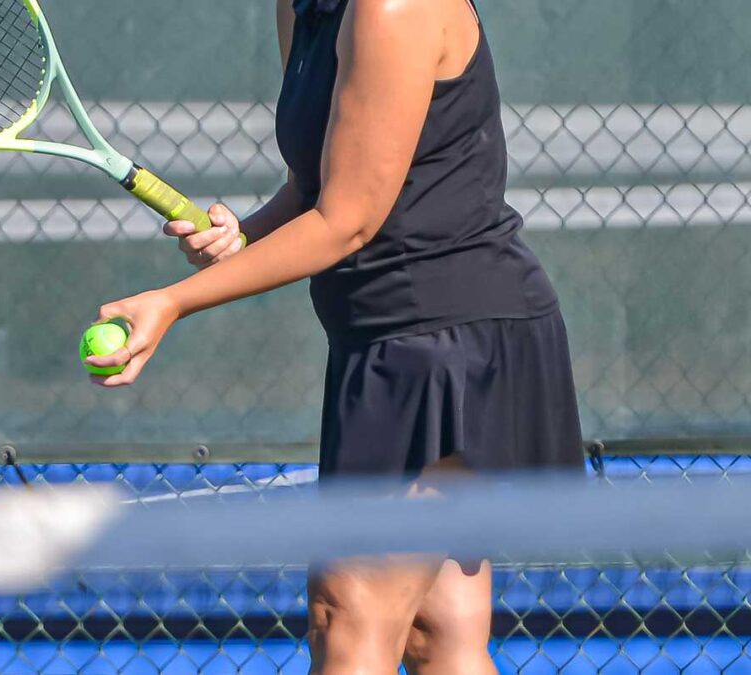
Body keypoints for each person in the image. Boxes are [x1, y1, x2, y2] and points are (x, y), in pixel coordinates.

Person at [85, 0, 584, 671]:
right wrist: (246, 237)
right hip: (378, 340)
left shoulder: (393, 9)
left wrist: (173, 302)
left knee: (347, 614)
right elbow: (318, 184)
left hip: (450, 345)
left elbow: (347, 220)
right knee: (439, 634)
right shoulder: (302, 7)